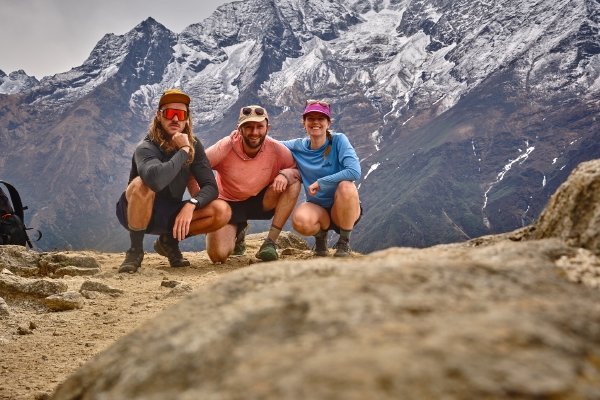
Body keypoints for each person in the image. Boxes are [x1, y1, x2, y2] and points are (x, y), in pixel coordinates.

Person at [116, 89, 230, 273]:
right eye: (169, 113)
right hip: (135, 211)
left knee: (222, 210)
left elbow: (211, 187)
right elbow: (155, 181)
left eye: (181, 114)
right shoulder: (146, 146)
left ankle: (169, 242)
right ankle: (135, 251)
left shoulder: (194, 145)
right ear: (159, 115)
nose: (175, 119)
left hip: (169, 212)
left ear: (187, 119)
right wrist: (183, 150)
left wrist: (192, 204)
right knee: (141, 184)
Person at [188, 105, 301, 263]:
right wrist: (202, 202)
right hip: (227, 203)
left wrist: (285, 174)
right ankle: (238, 233)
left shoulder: (276, 149)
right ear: (239, 129)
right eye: (248, 127)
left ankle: (270, 243)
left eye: (259, 127)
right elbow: (193, 171)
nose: (254, 132)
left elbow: (296, 169)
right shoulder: (225, 147)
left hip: (261, 199)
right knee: (217, 255)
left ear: (267, 128)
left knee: (293, 183)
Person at [281, 99, 362, 257]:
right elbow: (270, 145)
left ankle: (344, 243)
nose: (315, 122)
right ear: (304, 123)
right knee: (300, 221)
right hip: (318, 209)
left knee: (346, 186)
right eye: (310, 118)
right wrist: (239, 135)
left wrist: (321, 182)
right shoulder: (298, 146)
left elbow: (354, 172)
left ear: (328, 123)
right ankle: (321, 239)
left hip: (344, 208)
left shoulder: (339, 140)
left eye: (321, 118)